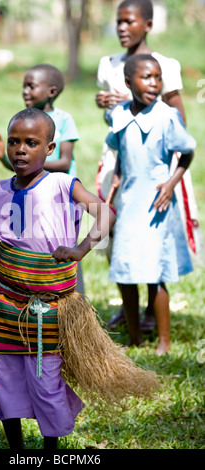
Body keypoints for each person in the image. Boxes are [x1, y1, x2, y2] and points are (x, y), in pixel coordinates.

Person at [0, 108, 159, 449]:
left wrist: (83, 248)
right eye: (14, 142)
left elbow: (105, 211)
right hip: (4, 304)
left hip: (49, 310)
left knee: (45, 383)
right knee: (3, 379)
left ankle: (50, 452)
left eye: (31, 143)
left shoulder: (62, 185)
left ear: (50, 148)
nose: (20, 149)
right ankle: (16, 449)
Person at [95, 0, 202, 332]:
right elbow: (112, 117)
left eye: (130, 21)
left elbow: (175, 116)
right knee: (114, 230)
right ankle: (129, 305)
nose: (123, 27)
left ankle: (153, 312)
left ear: (148, 24)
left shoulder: (165, 65)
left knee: (153, 238)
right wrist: (106, 107)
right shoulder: (108, 64)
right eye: (119, 21)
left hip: (155, 161)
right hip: (120, 159)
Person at [105, 54, 196, 356]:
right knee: (125, 268)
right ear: (129, 83)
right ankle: (134, 338)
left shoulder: (167, 116)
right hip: (129, 199)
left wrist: (171, 184)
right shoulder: (118, 114)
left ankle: (164, 342)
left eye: (158, 77)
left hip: (156, 199)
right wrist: (117, 175)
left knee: (156, 272)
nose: (154, 83)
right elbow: (120, 147)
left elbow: (187, 152)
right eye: (147, 78)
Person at [0, 63, 85, 294]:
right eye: (23, 86)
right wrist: (7, 159)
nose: (25, 91)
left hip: (58, 199)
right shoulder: (24, 122)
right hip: (30, 193)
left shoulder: (63, 119)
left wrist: (31, 163)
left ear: (52, 91)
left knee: (63, 251)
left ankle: (71, 299)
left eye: (31, 86)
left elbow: (64, 162)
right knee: (26, 243)